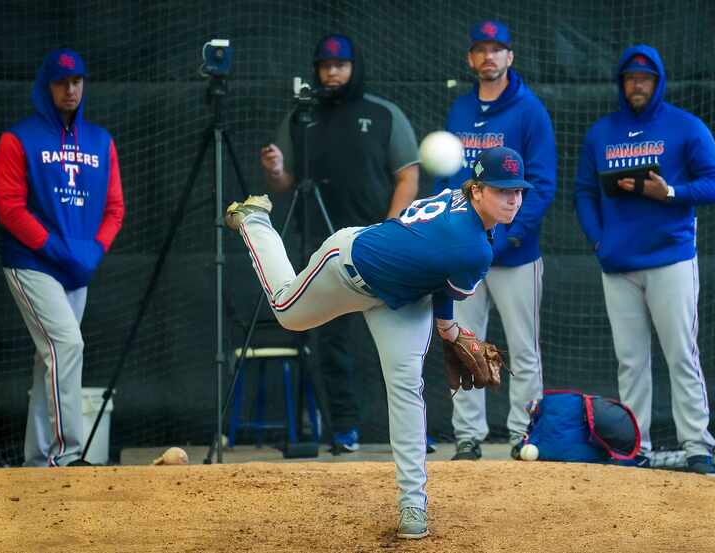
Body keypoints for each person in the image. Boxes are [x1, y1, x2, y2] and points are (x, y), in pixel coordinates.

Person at [227, 147, 531, 539]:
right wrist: (449, 329)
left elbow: (441, 276)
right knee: (286, 311)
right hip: (349, 267)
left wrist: (448, 328)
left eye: (518, 190)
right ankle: (255, 221)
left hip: (403, 299)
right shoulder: (475, 249)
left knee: (407, 387)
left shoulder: (460, 205)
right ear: (476, 191)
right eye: (501, 189)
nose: (512, 198)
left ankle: (412, 504)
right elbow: (450, 282)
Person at [259, 33, 420, 454]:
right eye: (325, 66)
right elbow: (284, 182)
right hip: (322, 249)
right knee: (331, 341)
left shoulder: (383, 114)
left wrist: (390, 230)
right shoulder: (301, 119)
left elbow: (408, 175)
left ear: (354, 67)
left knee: (399, 336)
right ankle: (344, 428)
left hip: (380, 246)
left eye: (341, 65)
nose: (332, 72)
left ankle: (411, 432)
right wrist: (276, 169)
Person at [573, 44, 715, 476]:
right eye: (630, 78)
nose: (637, 84)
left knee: (681, 354)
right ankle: (634, 447)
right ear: (621, 83)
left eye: (645, 78)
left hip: (670, 260)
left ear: (658, 83)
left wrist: (671, 193)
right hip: (618, 264)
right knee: (630, 359)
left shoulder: (685, 127)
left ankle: (698, 448)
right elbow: (584, 192)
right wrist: (598, 241)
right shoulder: (602, 132)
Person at [0, 48, 125, 467]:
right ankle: (67, 454)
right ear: (45, 86)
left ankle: (36, 459)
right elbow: (10, 207)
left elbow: (115, 208)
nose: (71, 89)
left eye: (77, 81)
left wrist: (93, 251)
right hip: (31, 263)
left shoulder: (101, 141)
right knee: (66, 345)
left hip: (77, 268)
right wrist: (54, 248)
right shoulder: (19, 139)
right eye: (61, 82)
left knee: (50, 355)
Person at [438, 20, 556, 461]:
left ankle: (523, 434)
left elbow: (541, 184)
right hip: (466, 252)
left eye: (497, 49)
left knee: (523, 348)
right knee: (463, 343)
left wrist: (505, 237)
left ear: (510, 56)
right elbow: (449, 180)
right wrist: (453, 236)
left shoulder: (530, 111)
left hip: (514, 254)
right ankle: (468, 437)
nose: (489, 56)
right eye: (480, 49)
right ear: (471, 59)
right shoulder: (459, 111)